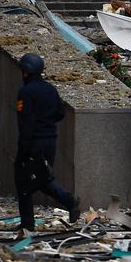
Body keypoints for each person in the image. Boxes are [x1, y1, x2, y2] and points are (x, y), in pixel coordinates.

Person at [14, 52, 79, 232]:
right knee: (41, 177)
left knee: (25, 180)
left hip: (33, 142)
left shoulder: (26, 92)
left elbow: (25, 122)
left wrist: (24, 148)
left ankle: (66, 202)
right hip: (50, 140)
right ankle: (30, 222)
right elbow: (60, 113)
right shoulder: (50, 89)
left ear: (26, 71)